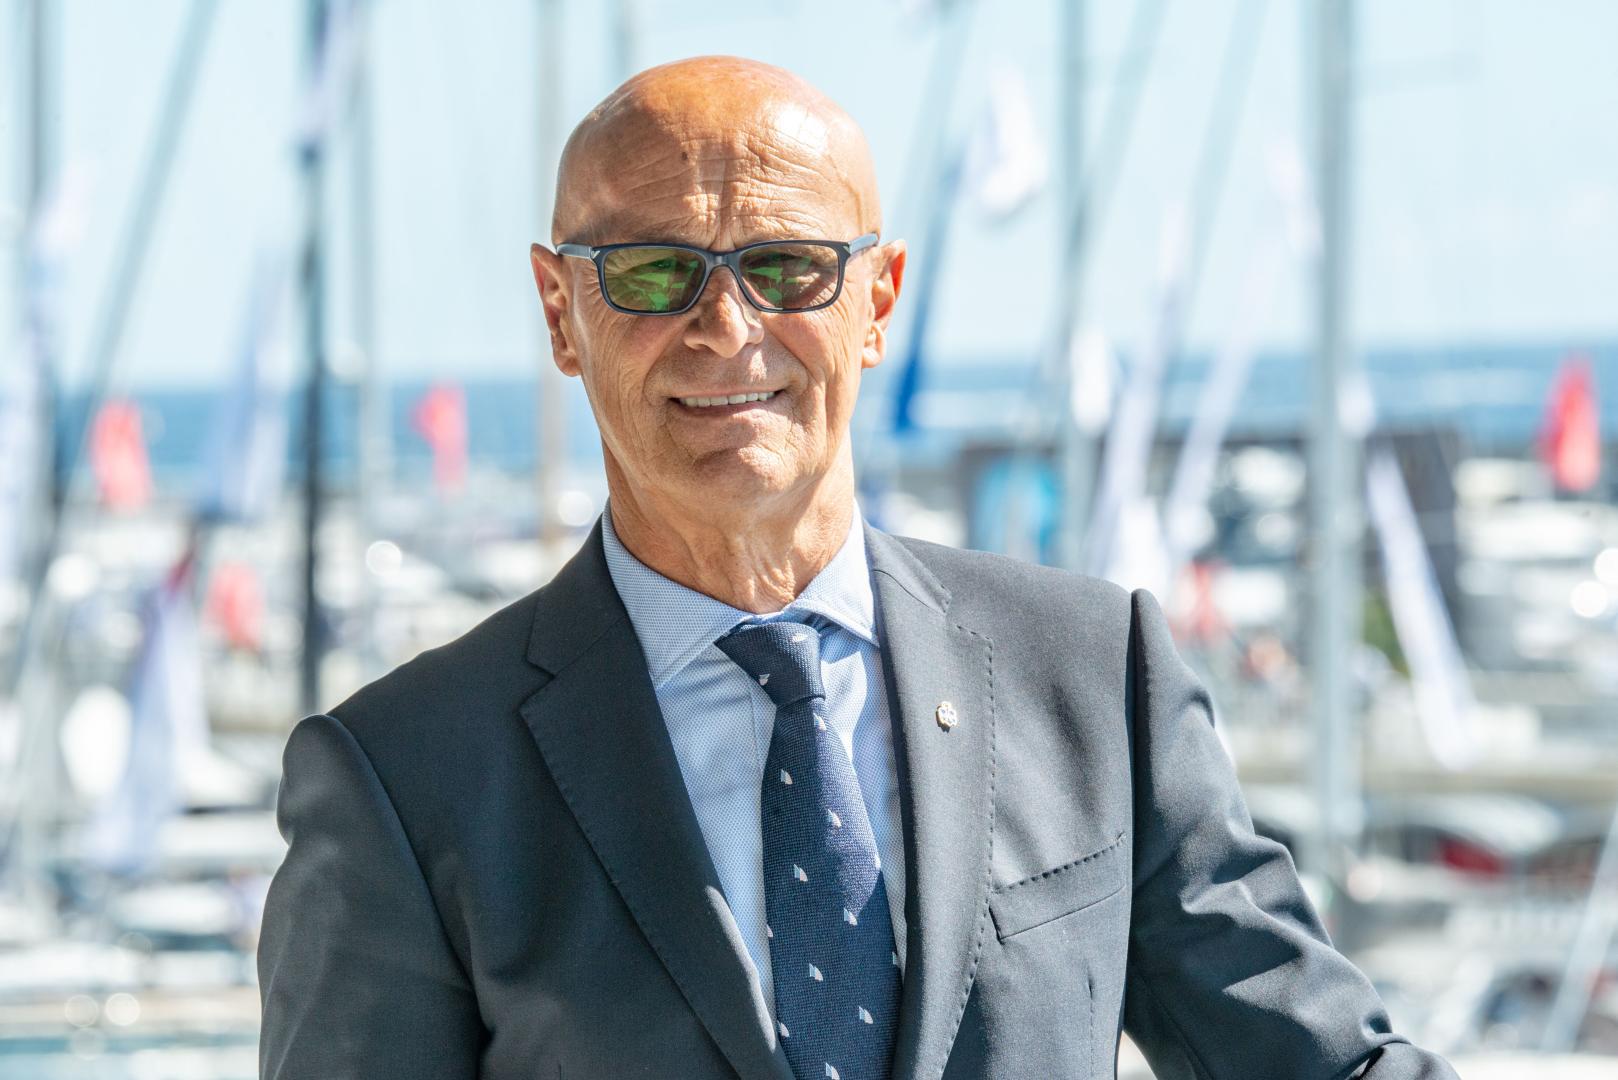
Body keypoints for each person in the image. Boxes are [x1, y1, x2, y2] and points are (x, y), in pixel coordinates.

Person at [257, 55, 1458, 1080]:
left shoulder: (1095, 679)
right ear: (561, 309)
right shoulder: (405, 780)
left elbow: (1325, 1063)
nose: (727, 329)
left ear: (876, 301)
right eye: (654, 272)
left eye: (787, 270)